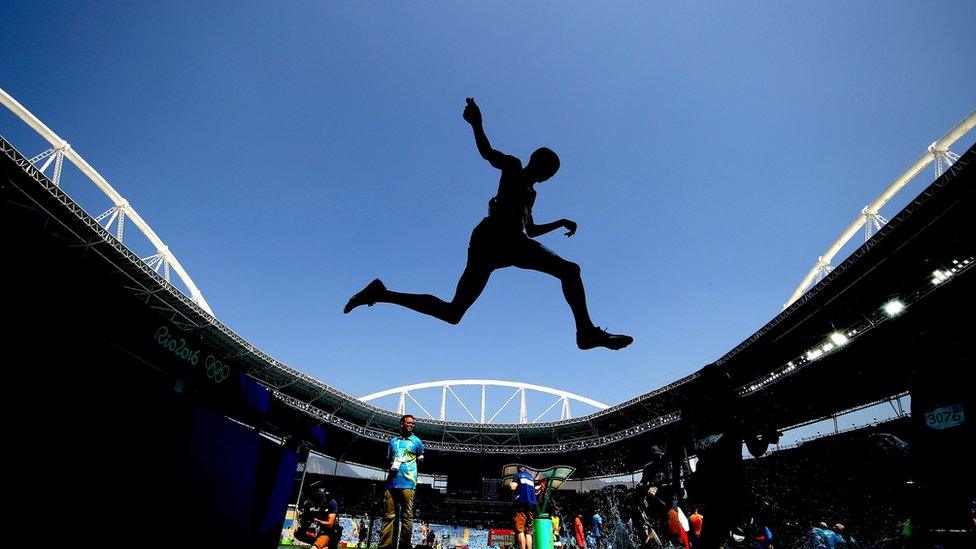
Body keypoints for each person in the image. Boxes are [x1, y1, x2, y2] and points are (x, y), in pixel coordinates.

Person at [344, 97, 633, 352]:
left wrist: (560, 222)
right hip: (494, 240)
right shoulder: (513, 167)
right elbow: (487, 152)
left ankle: (380, 293)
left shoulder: (531, 195)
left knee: (455, 312)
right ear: (537, 162)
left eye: (552, 175)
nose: (548, 177)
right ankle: (585, 333)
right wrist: (476, 123)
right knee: (567, 271)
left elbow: (531, 230)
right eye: (549, 170)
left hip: (509, 244)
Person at [380, 414, 425, 549]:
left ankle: (404, 546)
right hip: (391, 482)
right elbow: (388, 459)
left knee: (407, 517)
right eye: (408, 423)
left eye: (413, 423)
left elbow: (421, 458)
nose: (411, 425)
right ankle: (385, 546)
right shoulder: (393, 441)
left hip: (408, 483)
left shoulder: (417, 442)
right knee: (388, 516)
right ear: (402, 424)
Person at [510, 465, 539, 549]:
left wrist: (511, 484)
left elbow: (513, 487)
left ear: (518, 470)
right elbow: (536, 491)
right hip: (531, 506)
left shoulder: (518, 475)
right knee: (528, 532)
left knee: (520, 530)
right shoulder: (531, 477)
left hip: (521, 505)